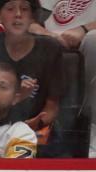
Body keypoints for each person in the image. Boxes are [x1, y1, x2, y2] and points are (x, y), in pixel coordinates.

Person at [0, 0, 62, 154]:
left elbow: (52, 105)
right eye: (10, 9)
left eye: (25, 9)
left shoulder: (50, 49)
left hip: (38, 129)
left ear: (33, 17)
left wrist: (35, 124)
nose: (18, 15)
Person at [29, 0, 96, 156]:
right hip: (50, 43)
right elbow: (25, 18)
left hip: (88, 44)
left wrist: (84, 29)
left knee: (94, 41)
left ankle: (91, 129)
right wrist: (49, 35)